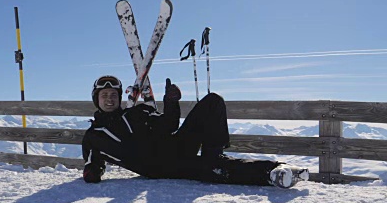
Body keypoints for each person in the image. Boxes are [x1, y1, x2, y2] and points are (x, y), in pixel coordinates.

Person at [81, 75, 309, 188]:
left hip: (175, 145)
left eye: (113, 95)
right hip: (159, 166)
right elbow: (93, 165)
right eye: (104, 96)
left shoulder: (136, 113)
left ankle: (214, 157)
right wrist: (92, 174)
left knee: (213, 102)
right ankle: (273, 173)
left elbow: (169, 124)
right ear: (96, 100)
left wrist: (171, 101)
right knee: (208, 169)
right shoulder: (94, 136)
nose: (109, 100)